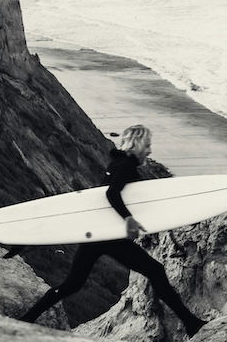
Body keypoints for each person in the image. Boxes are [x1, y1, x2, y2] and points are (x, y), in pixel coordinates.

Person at [19, 124, 207, 336]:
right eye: (147, 145)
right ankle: (191, 323)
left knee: (73, 284)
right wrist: (129, 219)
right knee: (155, 271)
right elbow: (112, 194)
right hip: (109, 236)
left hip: (98, 233)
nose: (150, 151)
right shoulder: (126, 166)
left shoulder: (117, 163)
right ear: (136, 144)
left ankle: (27, 319)